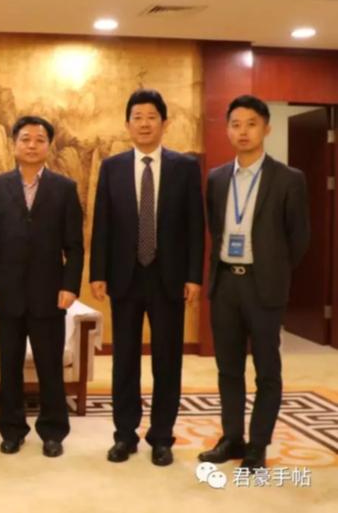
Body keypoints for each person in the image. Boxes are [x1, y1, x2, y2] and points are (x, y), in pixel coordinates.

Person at [90, 88, 204, 466]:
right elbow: (102, 222)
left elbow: (194, 224)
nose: (144, 123)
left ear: (164, 123)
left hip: (169, 276)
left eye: (151, 116)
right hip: (125, 276)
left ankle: (161, 437)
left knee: (167, 360)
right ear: (127, 124)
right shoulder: (113, 166)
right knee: (124, 359)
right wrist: (98, 273)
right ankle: (124, 435)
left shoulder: (185, 167)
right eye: (137, 117)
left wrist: (193, 276)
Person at [198, 95, 310, 471]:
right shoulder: (216, 178)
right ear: (227, 129)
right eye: (235, 124)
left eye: (250, 124)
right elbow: (216, 229)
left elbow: (299, 238)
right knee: (228, 368)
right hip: (226, 283)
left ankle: (257, 445)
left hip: (264, 286)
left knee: (267, 370)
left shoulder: (289, 179)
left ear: (266, 128)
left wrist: (274, 270)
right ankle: (232, 438)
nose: (242, 131)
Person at [0, 116, 84, 457]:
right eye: (25, 139)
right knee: (10, 365)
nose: (32, 145)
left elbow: (75, 245)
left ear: (48, 146)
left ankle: (53, 432)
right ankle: (12, 429)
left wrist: (70, 286)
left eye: (39, 139)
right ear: (14, 144)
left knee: (50, 365)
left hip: (50, 292)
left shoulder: (64, 188)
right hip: (6, 292)